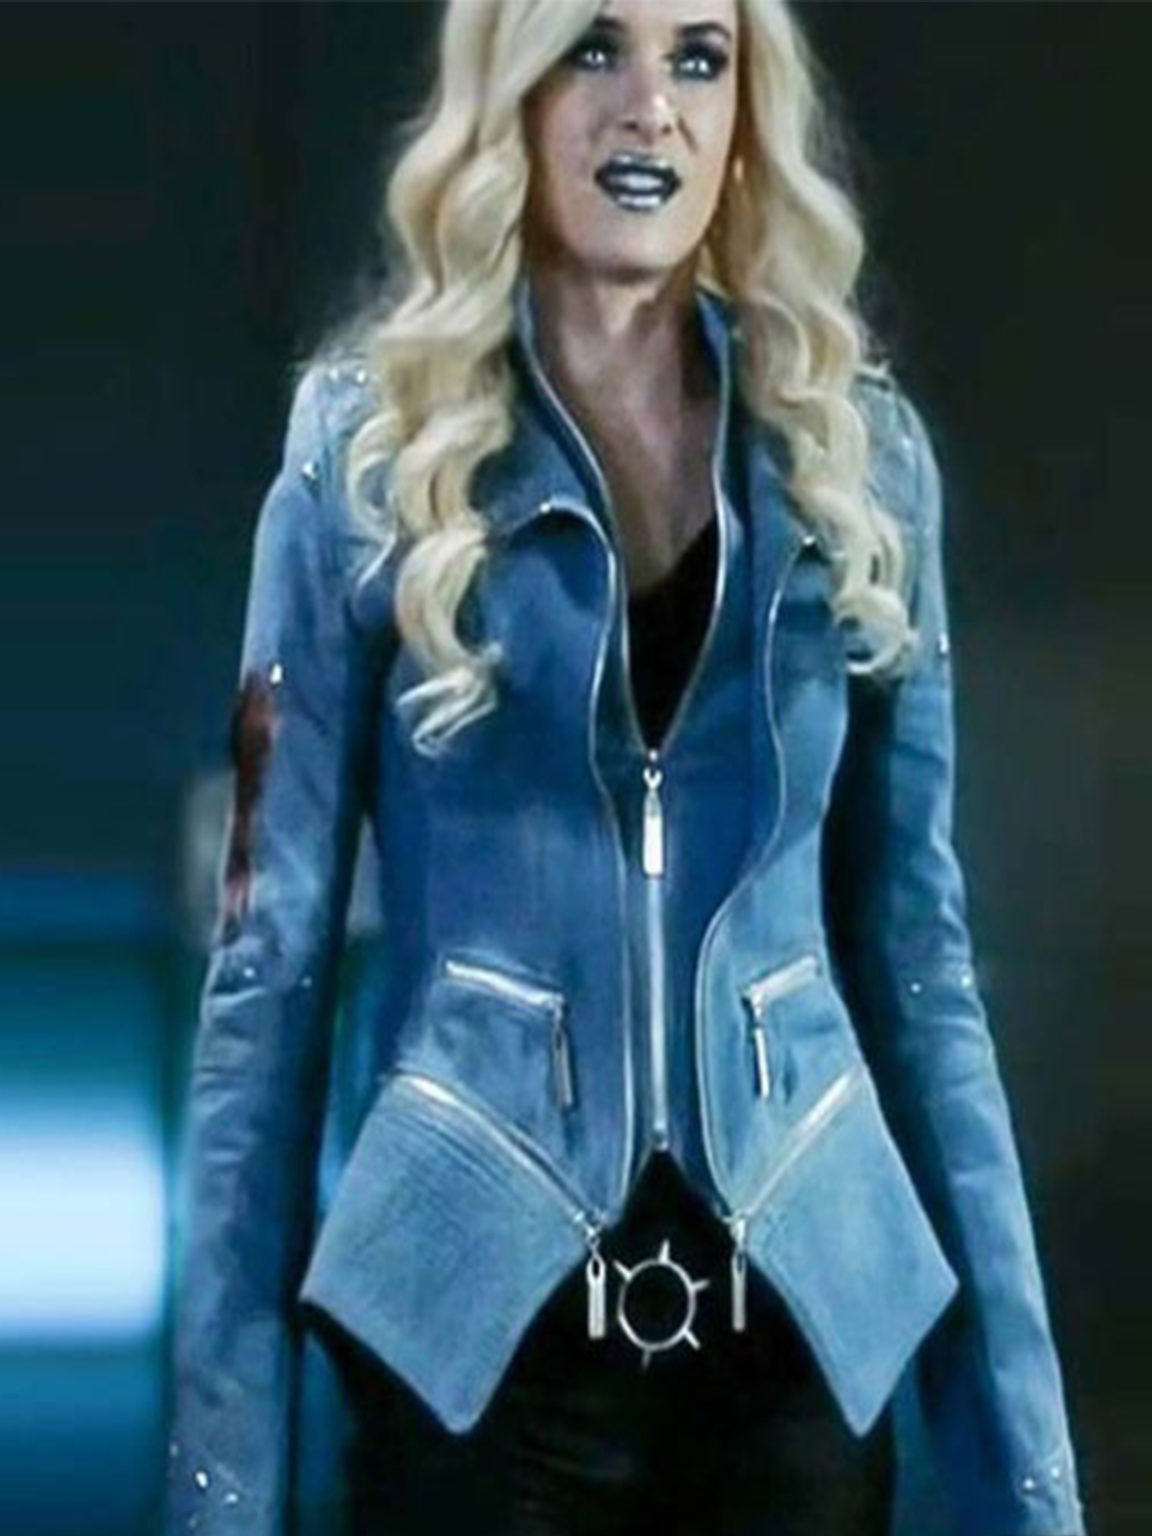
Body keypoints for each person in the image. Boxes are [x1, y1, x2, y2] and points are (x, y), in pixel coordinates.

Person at [162, 2, 1088, 1534]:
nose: (649, 105)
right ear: (510, 94)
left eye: (697, 57)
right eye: (593, 46)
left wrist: (1028, 1484)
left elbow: (922, 971)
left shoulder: (858, 462)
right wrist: (219, 1491)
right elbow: (270, 981)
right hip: (470, 1361)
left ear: (744, 119)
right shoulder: (365, 458)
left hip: (795, 1359)